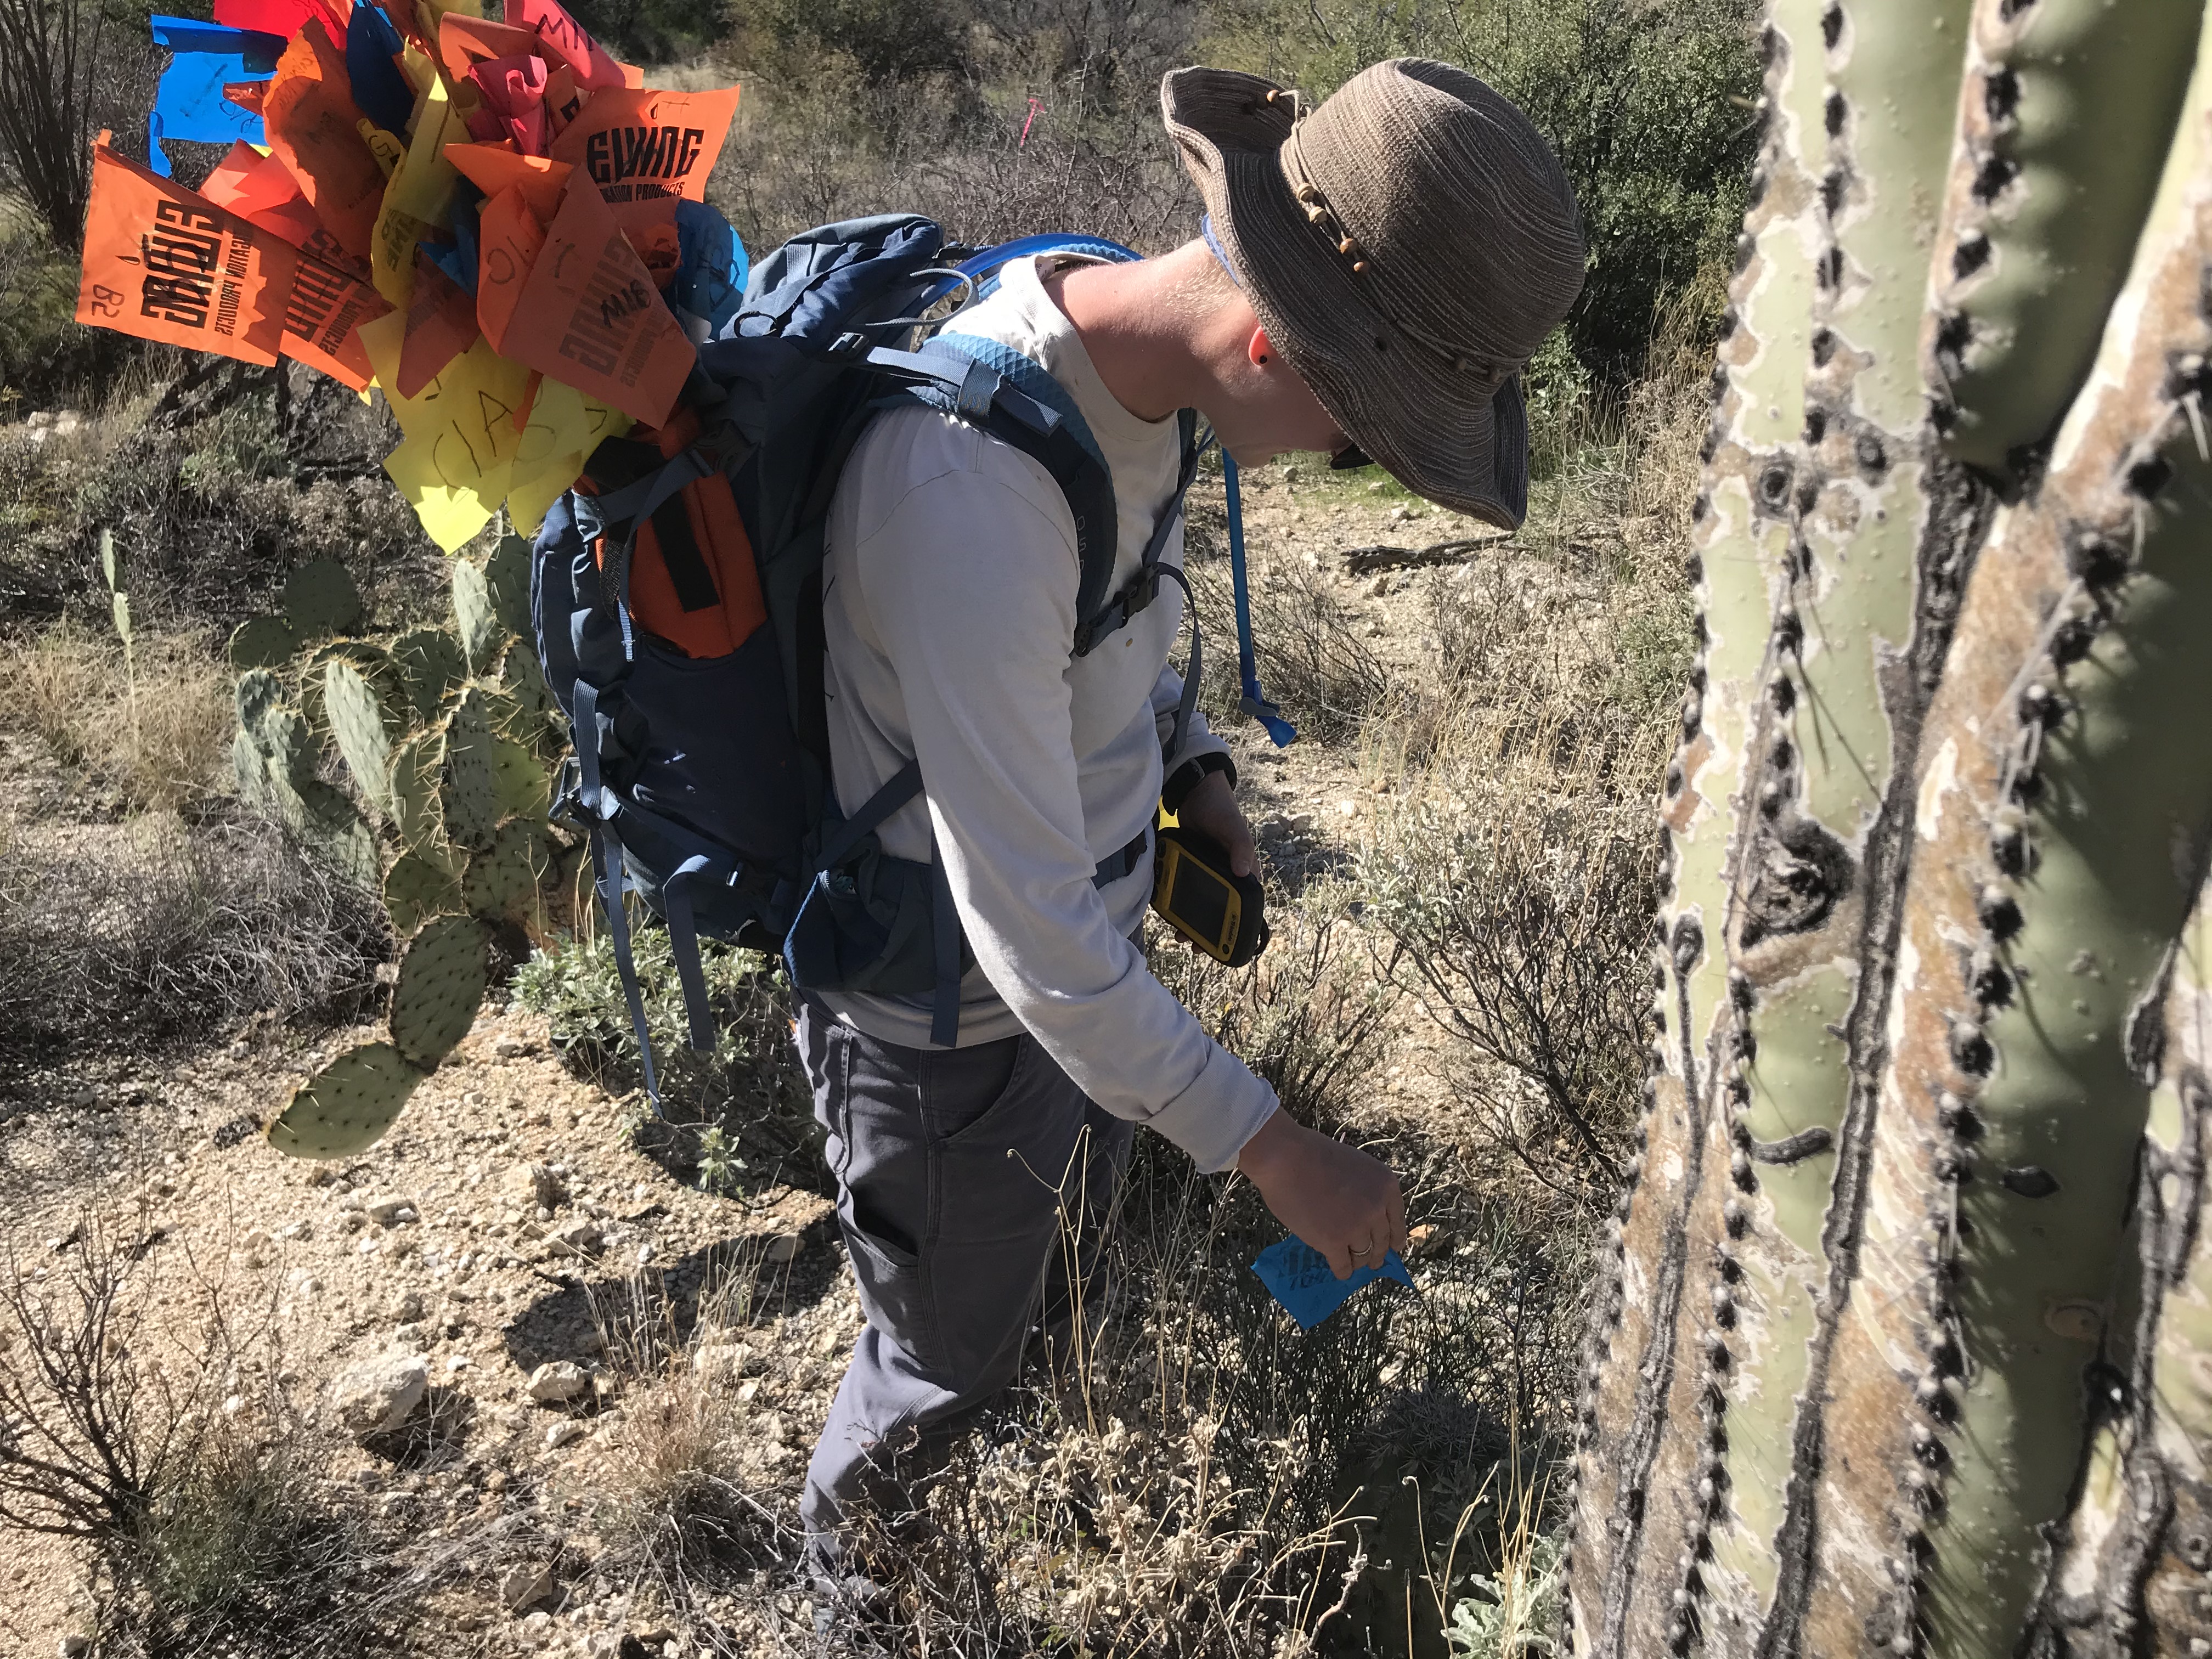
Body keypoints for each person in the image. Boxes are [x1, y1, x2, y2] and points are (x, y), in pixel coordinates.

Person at [795, 56, 1585, 1582]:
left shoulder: (1119, 360)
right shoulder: (969, 495)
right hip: (949, 1022)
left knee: (1022, 1291)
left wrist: (1192, 768)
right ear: (1276, 342)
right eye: (1363, 437)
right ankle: (857, 1605)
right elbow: (1032, 941)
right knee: (939, 1371)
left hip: (1060, 991)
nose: (1344, 468)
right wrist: (1275, 1148)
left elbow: (1114, 635)